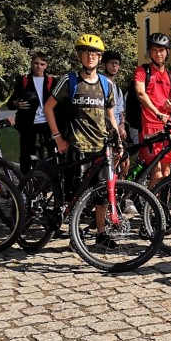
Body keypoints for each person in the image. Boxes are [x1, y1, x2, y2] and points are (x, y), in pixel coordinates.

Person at [44, 33, 123, 250]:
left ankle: (101, 234)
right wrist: (58, 137)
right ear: (79, 56)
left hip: (101, 147)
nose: (90, 57)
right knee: (76, 193)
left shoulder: (106, 84)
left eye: (95, 54)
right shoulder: (69, 81)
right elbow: (48, 108)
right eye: (86, 53)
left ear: (100, 57)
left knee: (102, 193)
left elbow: (111, 116)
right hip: (76, 146)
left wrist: (118, 141)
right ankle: (74, 234)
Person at [134, 33, 171, 187]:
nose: (158, 54)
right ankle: (149, 202)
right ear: (149, 52)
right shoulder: (142, 71)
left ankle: (159, 202)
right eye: (154, 50)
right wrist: (157, 112)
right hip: (149, 127)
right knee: (157, 173)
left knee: (167, 174)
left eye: (161, 50)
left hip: (167, 127)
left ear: (167, 52)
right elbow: (140, 93)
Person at [9, 52, 55, 175]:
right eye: (36, 63)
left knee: (51, 154)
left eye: (42, 64)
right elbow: (11, 102)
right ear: (31, 63)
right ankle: (25, 180)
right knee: (26, 155)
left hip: (47, 123)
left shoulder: (51, 81)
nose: (38, 66)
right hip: (28, 124)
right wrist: (16, 103)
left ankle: (50, 180)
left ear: (46, 66)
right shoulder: (23, 80)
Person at [102, 50, 127, 133]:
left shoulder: (117, 88)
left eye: (116, 63)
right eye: (111, 62)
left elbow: (120, 109)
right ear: (103, 65)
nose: (114, 65)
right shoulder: (99, 84)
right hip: (105, 129)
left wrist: (122, 123)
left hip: (118, 130)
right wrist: (117, 127)